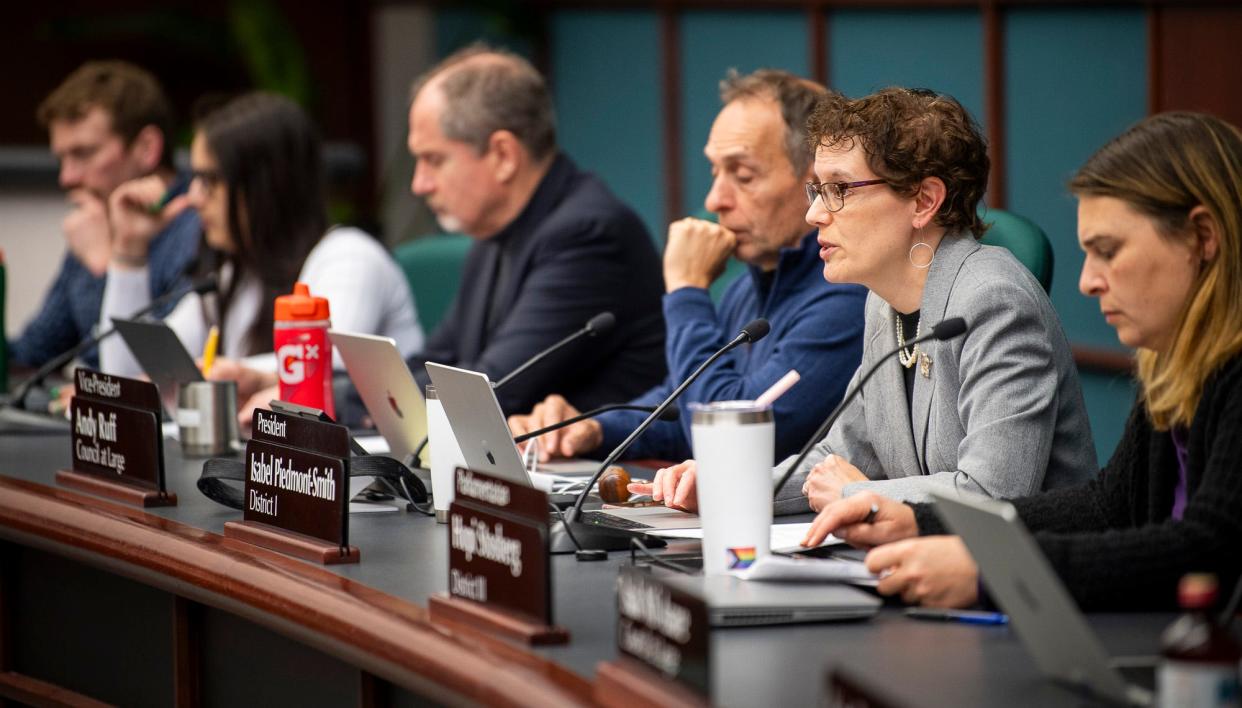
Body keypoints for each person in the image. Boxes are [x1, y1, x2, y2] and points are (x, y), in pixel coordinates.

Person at [803, 112, 1242, 611]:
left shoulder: (994, 296)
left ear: (1203, 237)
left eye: (1109, 251)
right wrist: (916, 520)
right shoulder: (1176, 364)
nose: (1088, 282)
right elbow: (1109, 505)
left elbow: (1211, 549)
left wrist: (994, 568)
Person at [631, 88, 1095, 512]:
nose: (814, 214)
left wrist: (859, 495)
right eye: (817, 190)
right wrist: (731, 485)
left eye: (838, 191)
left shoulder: (994, 302)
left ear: (923, 201)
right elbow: (841, 454)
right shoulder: (884, 302)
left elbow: (995, 495)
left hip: (1028, 587)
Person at [507, 70, 866, 465]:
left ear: (813, 181)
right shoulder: (745, 290)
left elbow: (729, 437)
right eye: (715, 171)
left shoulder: (846, 295)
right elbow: (681, 406)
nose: (714, 200)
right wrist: (591, 428)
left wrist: (687, 290)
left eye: (743, 175)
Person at [99, 92, 422, 416]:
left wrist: (240, 375)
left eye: (210, 180)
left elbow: (325, 368)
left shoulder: (350, 258)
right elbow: (127, 379)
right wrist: (129, 249)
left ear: (265, 184)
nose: (195, 198)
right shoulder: (237, 274)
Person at [395, 45, 666, 416]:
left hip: (615, 468)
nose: (419, 184)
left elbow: (490, 391)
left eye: (434, 160)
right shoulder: (495, 232)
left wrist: (384, 398)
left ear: (504, 155)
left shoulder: (587, 235)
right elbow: (436, 363)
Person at [10, 61, 200, 369]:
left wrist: (104, 266)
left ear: (146, 148)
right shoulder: (99, 218)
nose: (66, 178)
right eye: (61, 158)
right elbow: (34, 352)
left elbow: (164, 374)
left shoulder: (198, 224)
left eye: (83, 153)